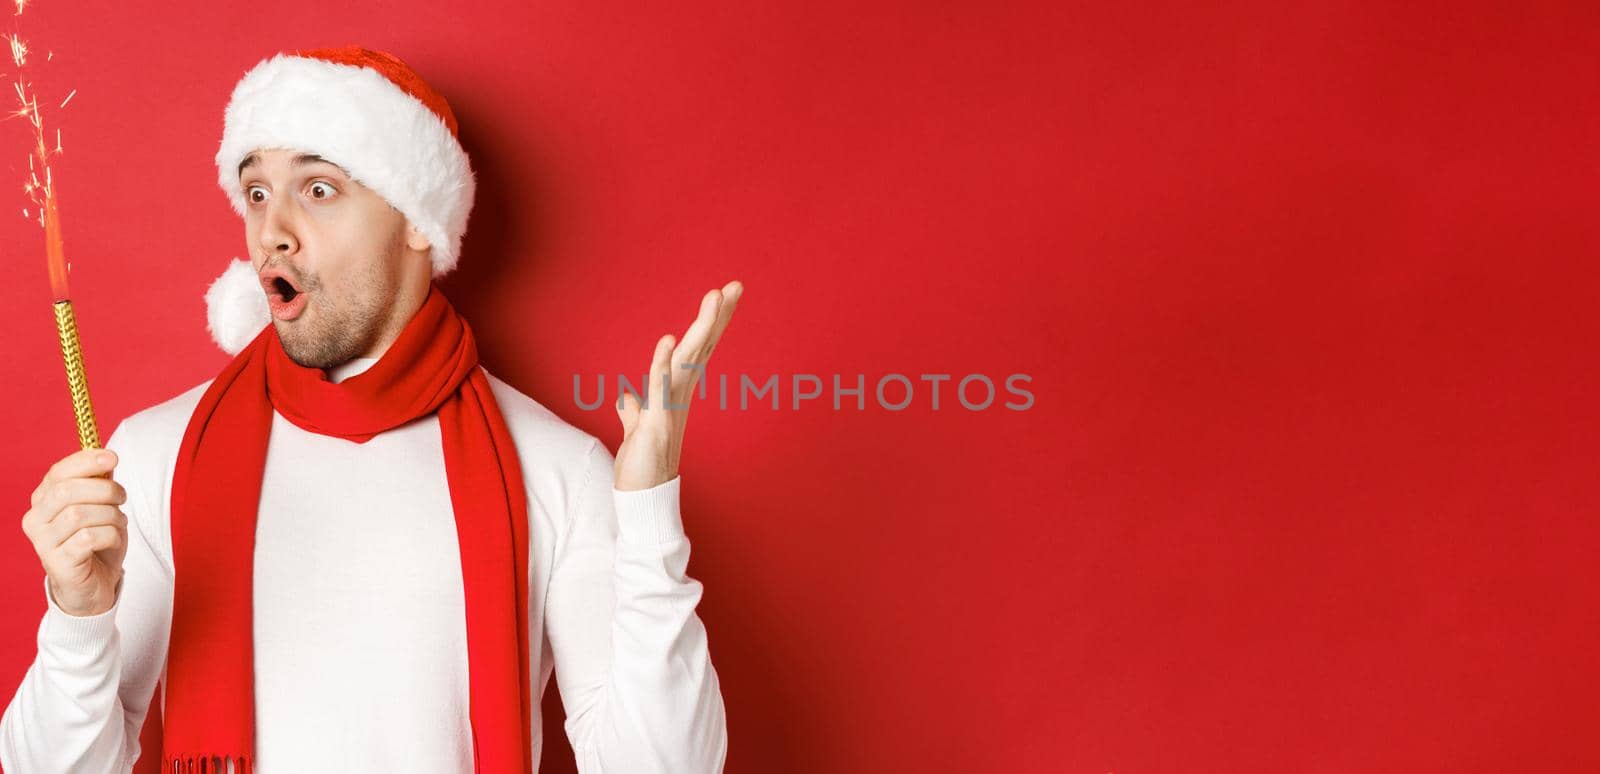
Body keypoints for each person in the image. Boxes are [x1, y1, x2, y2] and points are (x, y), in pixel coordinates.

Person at [0, 46, 733, 774]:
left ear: (418, 220)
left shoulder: (557, 467)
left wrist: (647, 518)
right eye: (257, 193)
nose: (271, 231)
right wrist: (79, 616)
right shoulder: (156, 457)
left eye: (318, 190)